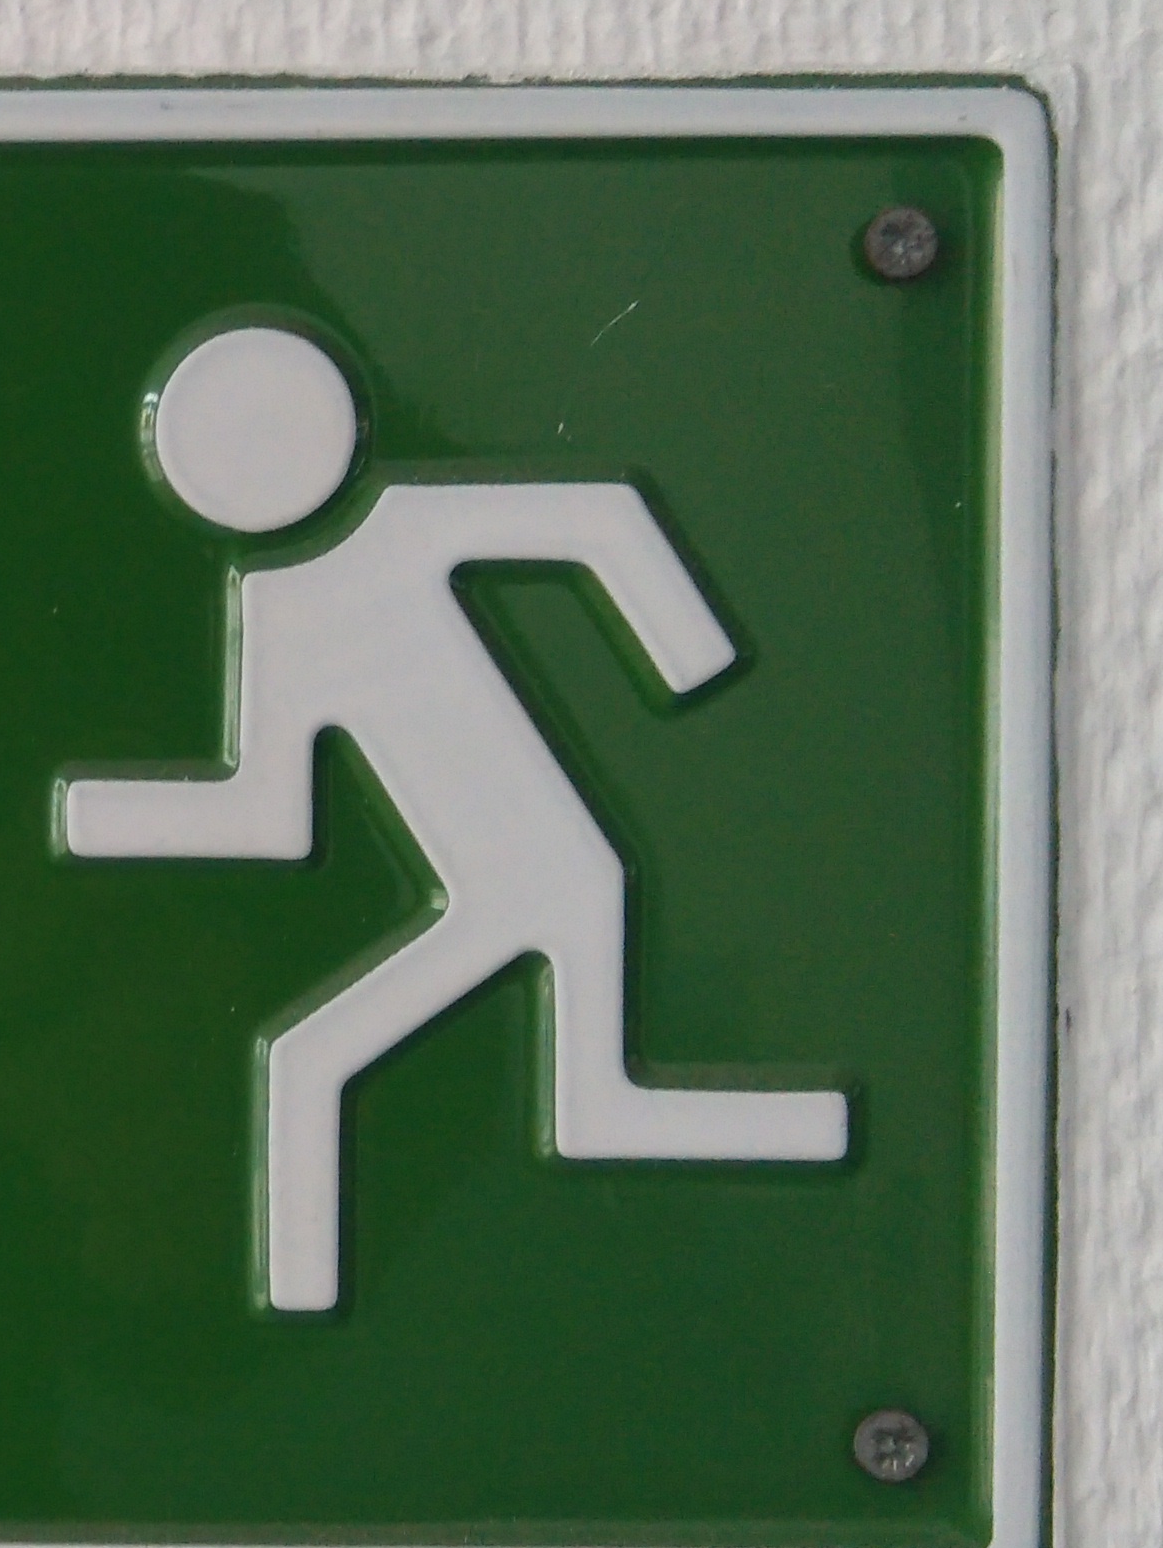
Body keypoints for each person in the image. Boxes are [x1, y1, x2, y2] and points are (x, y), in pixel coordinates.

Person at [63, 325, 847, 1313]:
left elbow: (596, 517)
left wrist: (686, 647)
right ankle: (783, 1126)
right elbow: (276, 813)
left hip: (525, 882)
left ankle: (301, 1291)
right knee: (569, 1096)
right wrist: (109, 815)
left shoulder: (388, 534)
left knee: (314, 1064)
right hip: (540, 877)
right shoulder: (284, 602)